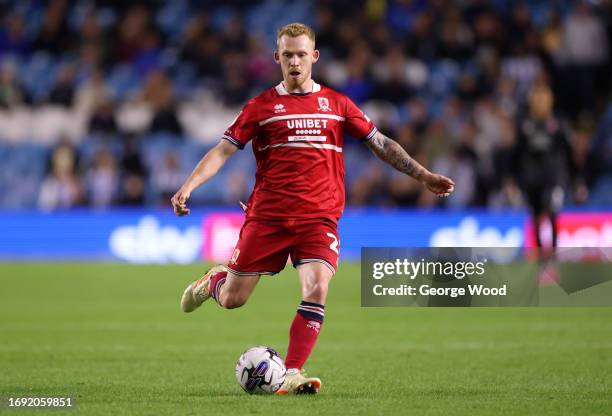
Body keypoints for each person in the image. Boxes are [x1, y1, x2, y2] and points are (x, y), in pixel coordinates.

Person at [171, 23, 455, 394]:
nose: (294, 61)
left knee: (317, 286)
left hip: (319, 217)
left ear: (314, 57)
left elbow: (380, 143)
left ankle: (292, 372)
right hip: (269, 216)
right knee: (233, 299)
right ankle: (215, 281)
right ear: (277, 58)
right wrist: (188, 186)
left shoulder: (337, 105)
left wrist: (422, 175)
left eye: (301, 54)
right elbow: (224, 150)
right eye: (287, 54)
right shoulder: (261, 106)